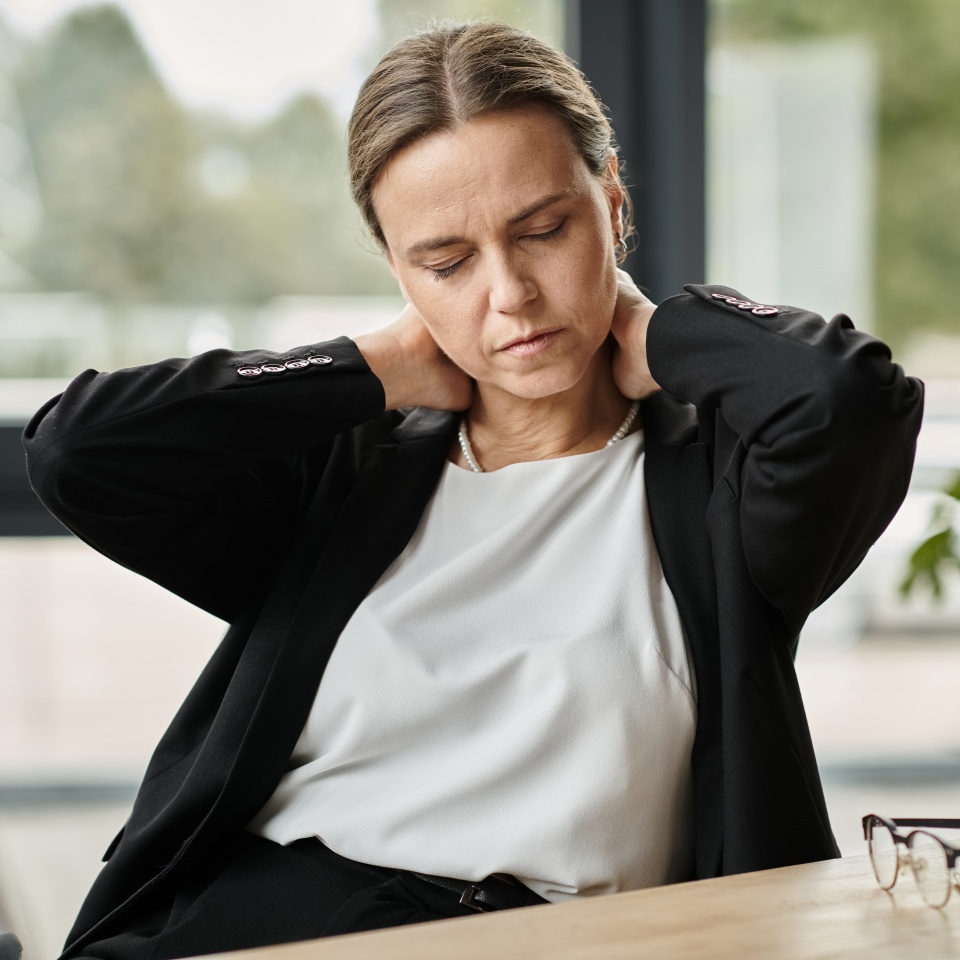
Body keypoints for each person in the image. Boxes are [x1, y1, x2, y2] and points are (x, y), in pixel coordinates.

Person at [23, 19, 922, 960]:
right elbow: (77, 452)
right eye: (446, 262)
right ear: (398, 272)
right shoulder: (341, 482)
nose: (509, 294)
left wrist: (659, 334)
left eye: (543, 230)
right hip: (253, 928)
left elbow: (846, 397)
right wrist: (372, 366)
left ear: (612, 201)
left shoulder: (721, 493)